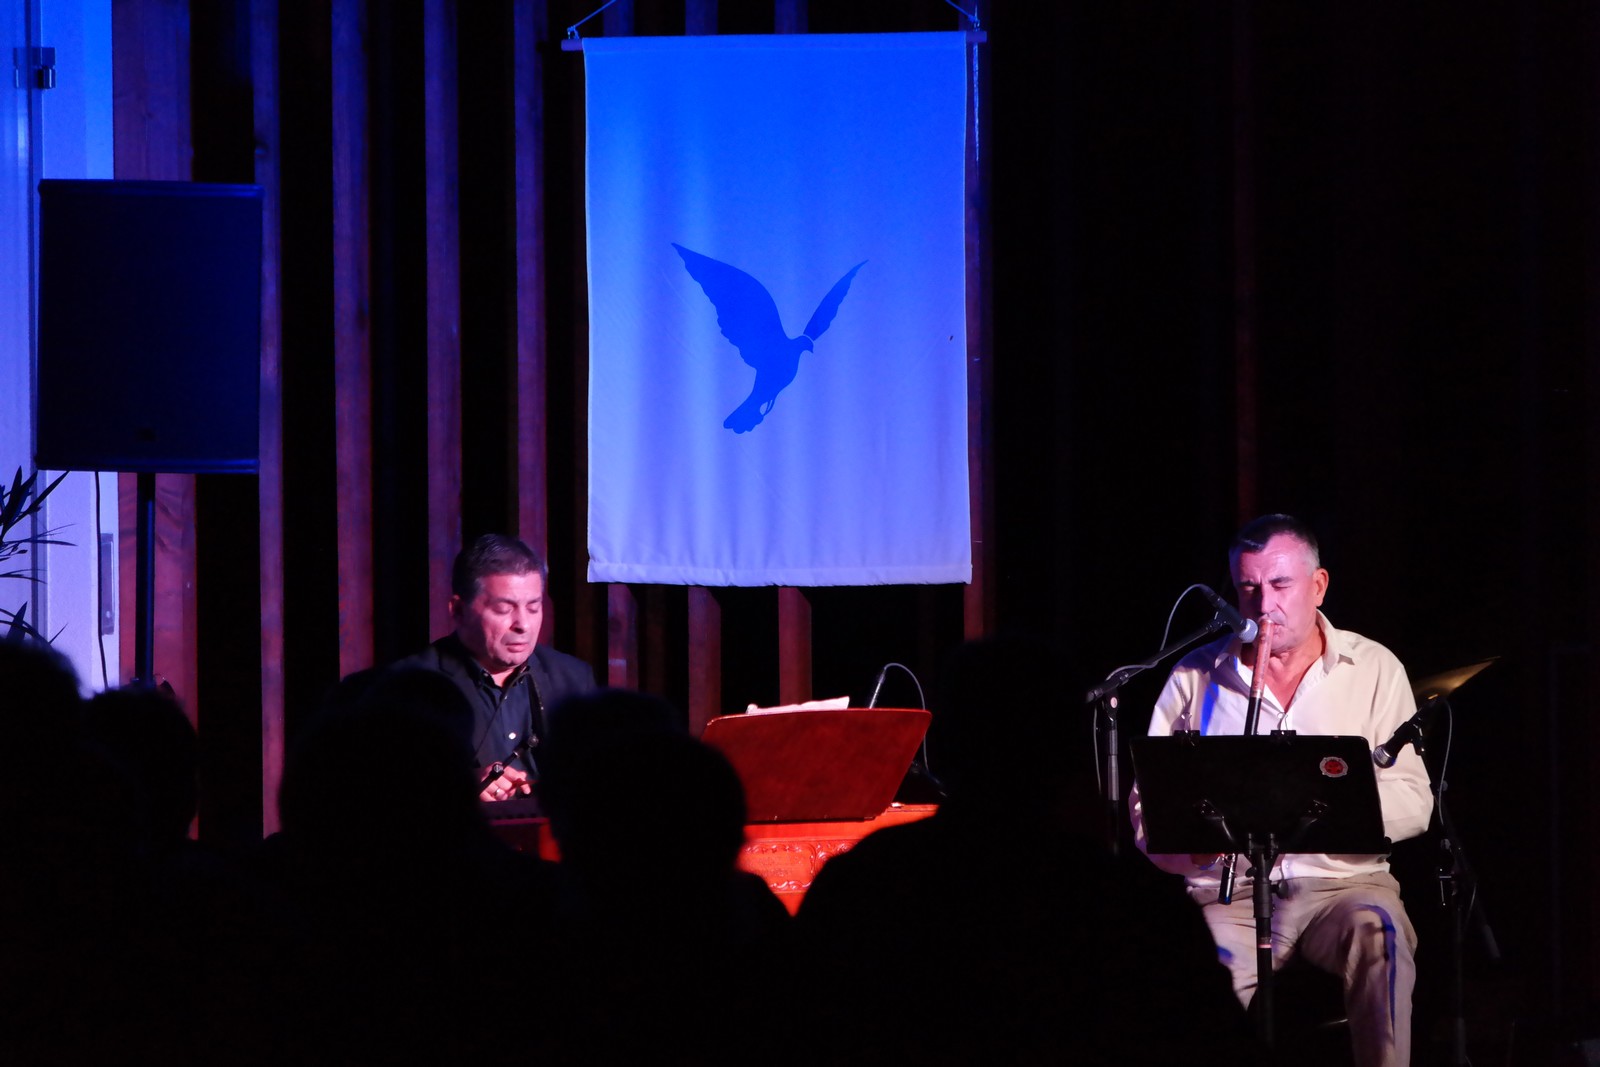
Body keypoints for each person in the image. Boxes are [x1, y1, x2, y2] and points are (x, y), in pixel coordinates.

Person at [1129, 514, 1432, 1067]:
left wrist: (1327, 813)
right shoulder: (1195, 676)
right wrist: (1194, 845)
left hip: (1342, 885)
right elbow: (1149, 806)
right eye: (1247, 587)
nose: (1262, 604)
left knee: (1381, 939)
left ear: (1318, 586)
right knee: (1186, 978)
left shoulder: (1373, 667)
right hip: (1230, 895)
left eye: (1280, 584)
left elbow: (1414, 800)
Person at [399, 533, 597, 802]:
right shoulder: (410, 686)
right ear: (458, 611)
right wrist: (459, 786)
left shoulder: (573, 678)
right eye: (504, 609)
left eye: (533, 608)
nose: (523, 625)